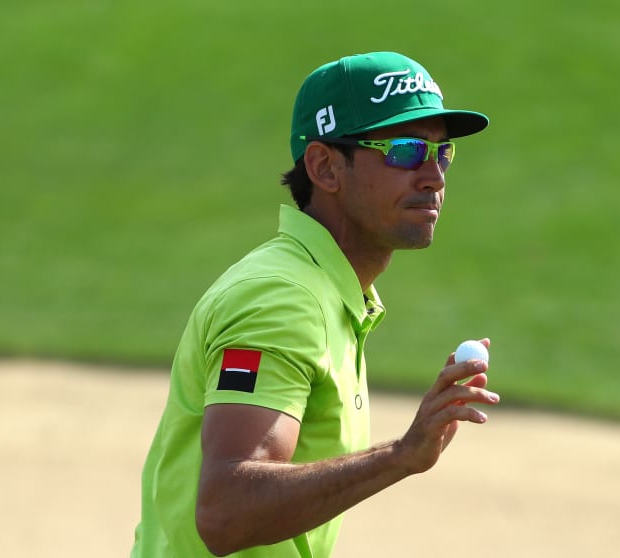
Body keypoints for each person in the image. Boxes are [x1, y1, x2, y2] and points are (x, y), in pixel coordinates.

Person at [131, 51, 499, 558]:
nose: (433, 175)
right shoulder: (282, 300)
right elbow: (226, 510)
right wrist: (400, 456)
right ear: (325, 167)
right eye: (405, 151)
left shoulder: (331, 292)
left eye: (442, 152)